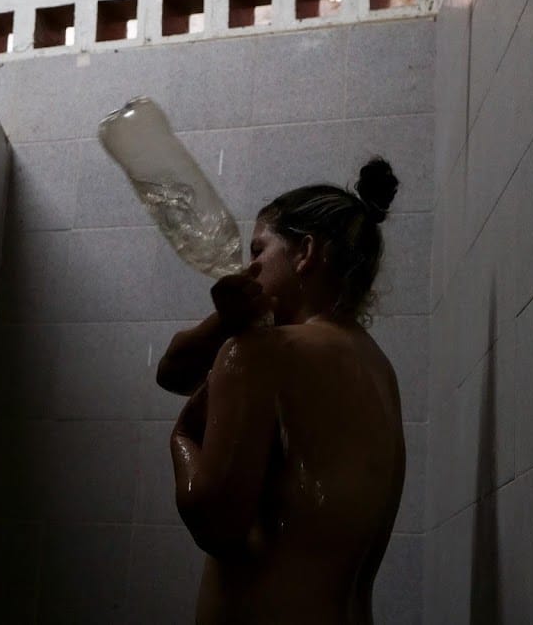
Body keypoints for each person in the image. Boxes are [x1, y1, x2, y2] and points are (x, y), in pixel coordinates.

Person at [157, 158, 406, 625]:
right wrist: (226, 323)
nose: (248, 269)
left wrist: (181, 441)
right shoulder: (380, 372)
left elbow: (217, 524)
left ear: (304, 252)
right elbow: (173, 370)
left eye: (258, 251)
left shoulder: (262, 353)